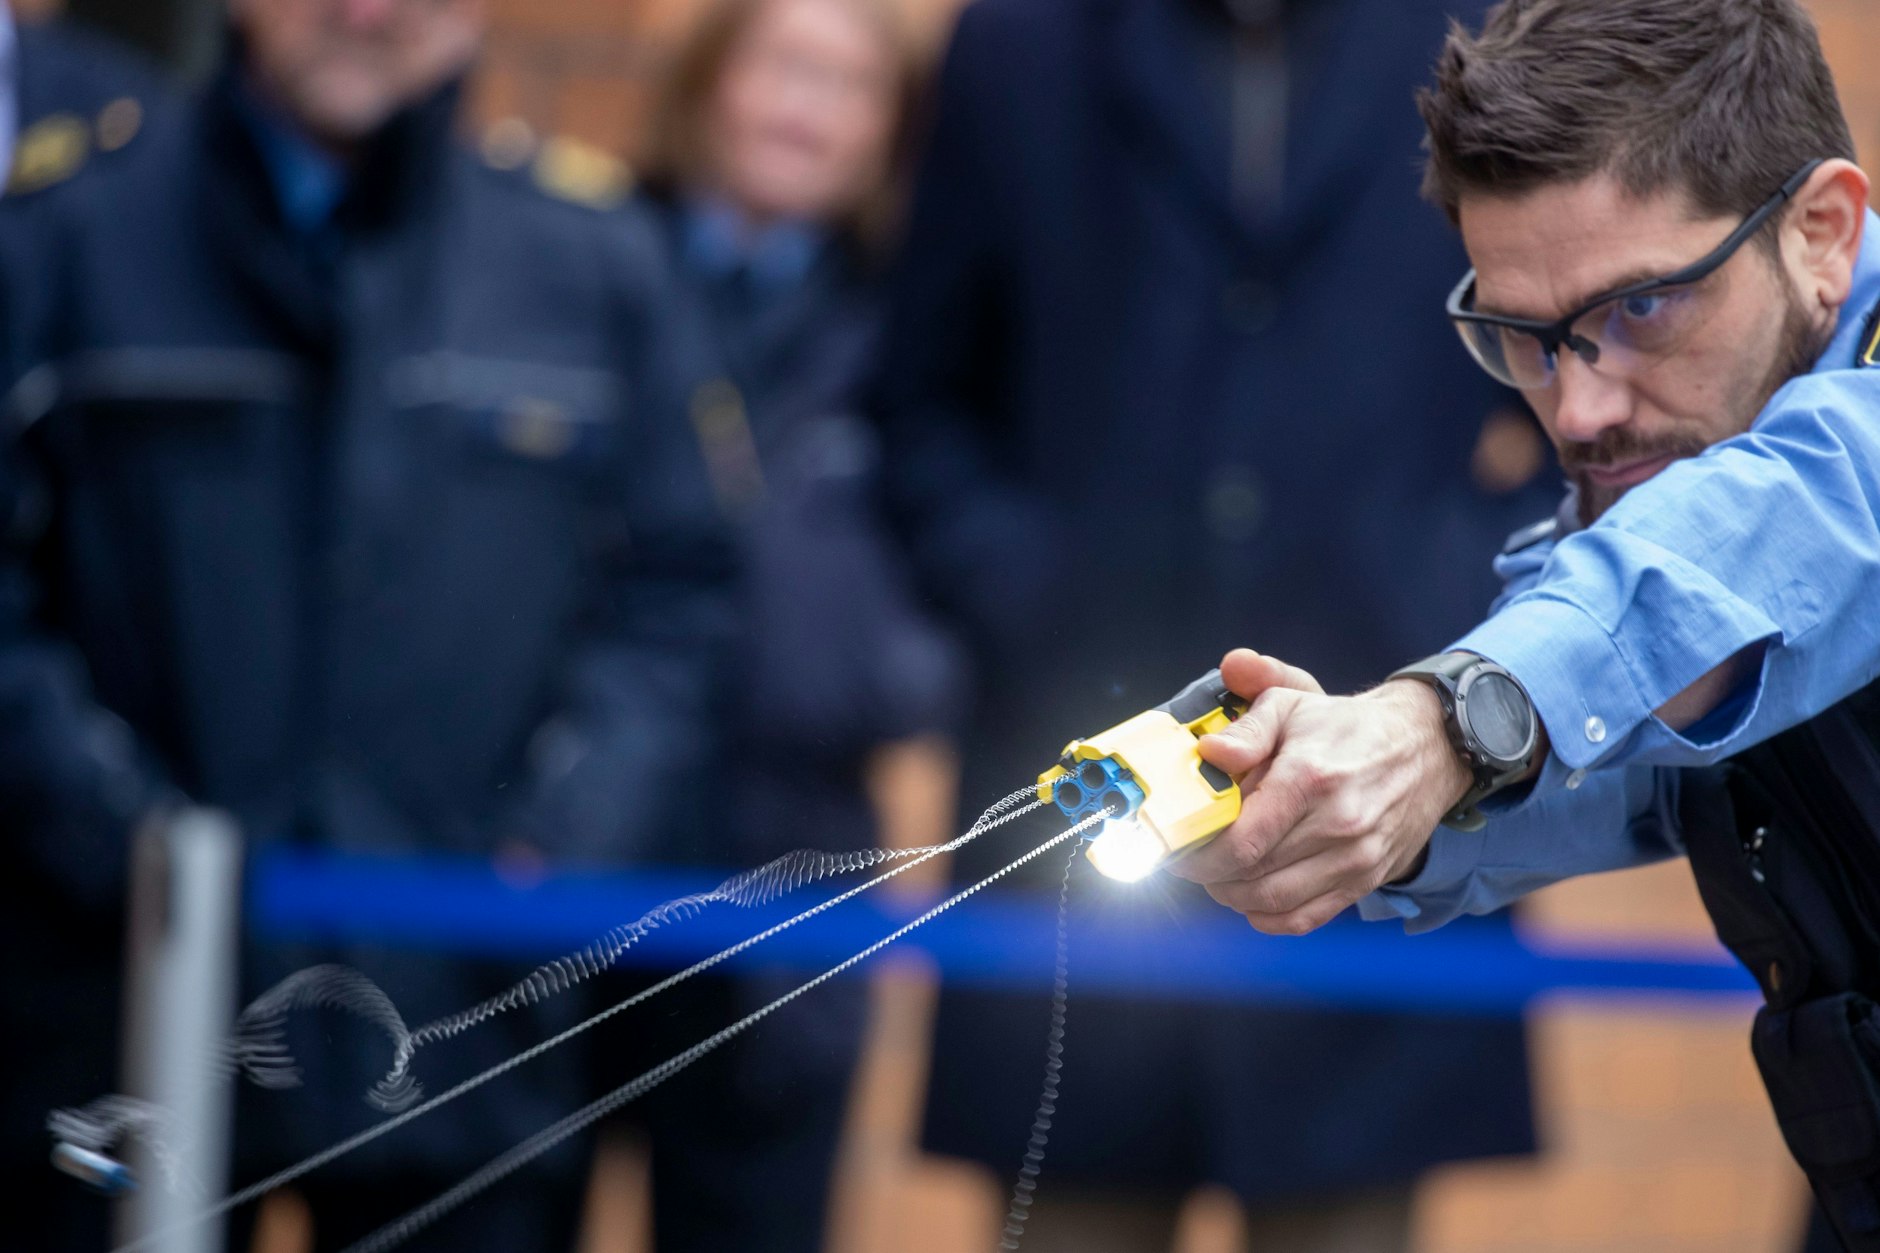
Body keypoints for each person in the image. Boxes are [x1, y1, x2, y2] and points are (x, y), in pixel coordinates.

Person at [0, 0, 731, 1248]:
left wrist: (556, 844)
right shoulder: (68, 235)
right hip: (116, 1017)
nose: (367, 10)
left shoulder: (590, 262)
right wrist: (120, 840)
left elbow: (678, 598)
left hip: (468, 1028)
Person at [1164, 0, 1880, 1246]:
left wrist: (1449, 719)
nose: (1582, 407)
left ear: (1821, 231)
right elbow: (1620, 749)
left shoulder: (1799, 484)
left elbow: (1786, 530)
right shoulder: (1674, 487)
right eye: (1529, 338)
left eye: (1641, 309)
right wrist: (1344, 803)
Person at [873, 0, 1557, 1246]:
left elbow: (1589, 352)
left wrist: (1453, 591)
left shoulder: (1480, 32)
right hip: (1079, 796)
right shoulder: (1020, 44)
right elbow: (917, 398)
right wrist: (1036, 598)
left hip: (1383, 778)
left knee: (1346, 1217)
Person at [580, 1, 957, 1249]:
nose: (806, 109)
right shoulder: (582, 269)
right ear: (707, 82)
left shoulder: (911, 324)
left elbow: (958, 543)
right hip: (565, 851)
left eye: (849, 85)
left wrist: (880, 673)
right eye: (783, 67)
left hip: (789, 877)